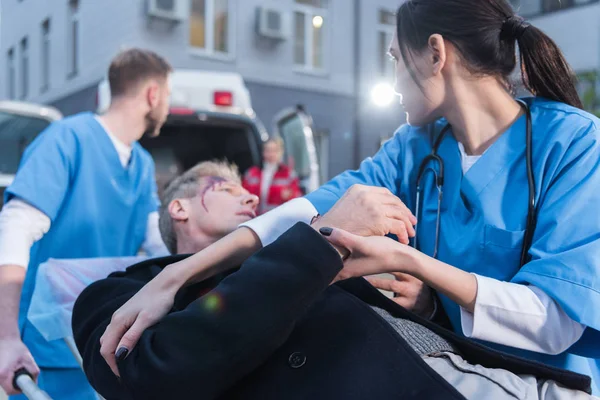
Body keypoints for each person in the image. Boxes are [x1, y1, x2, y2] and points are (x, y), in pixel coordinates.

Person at [99, 0, 600, 394]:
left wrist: (414, 264)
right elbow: (308, 212)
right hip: (439, 371)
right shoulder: (415, 147)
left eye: (394, 61)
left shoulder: (574, 144)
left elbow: (555, 323)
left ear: (435, 53)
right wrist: (177, 274)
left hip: (546, 383)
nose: (392, 81)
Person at [72, 161, 594, 400]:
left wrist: (424, 305)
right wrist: (317, 240)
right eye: (225, 186)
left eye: (249, 190)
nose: (251, 198)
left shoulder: (291, 254)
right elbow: (159, 370)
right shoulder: (117, 294)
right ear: (178, 206)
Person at [0, 48, 172, 399]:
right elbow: (15, 228)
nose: (167, 108)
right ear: (153, 94)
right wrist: (5, 337)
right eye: (167, 96)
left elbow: (159, 245)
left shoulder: (141, 163)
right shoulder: (66, 139)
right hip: (46, 346)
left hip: (102, 340)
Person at [242, 137, 302, 214]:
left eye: (274, 151)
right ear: (263, 152)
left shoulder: (288, 174)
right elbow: (242, 195)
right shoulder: (251, 173)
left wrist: (289, 196)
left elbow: (297, 198)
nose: (271, 154)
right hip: (254, 218)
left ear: (281, 152)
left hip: (277, 219)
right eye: (268, 150)